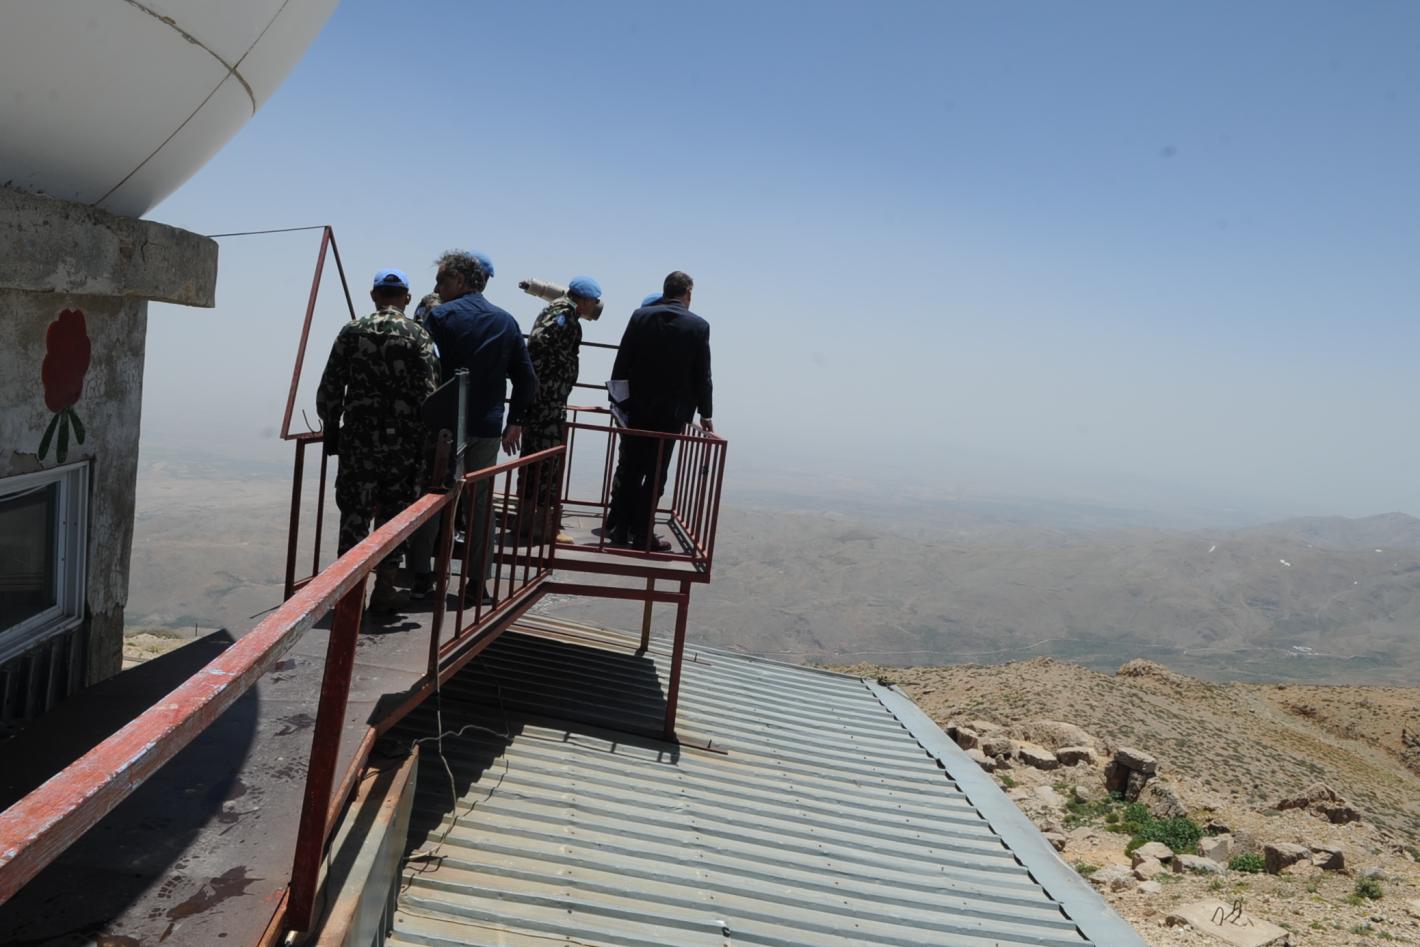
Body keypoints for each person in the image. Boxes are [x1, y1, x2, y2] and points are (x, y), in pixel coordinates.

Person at [315, 268, 440, 610]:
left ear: (374, 295)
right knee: (394, 518)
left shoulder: (352, 331)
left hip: (358, 443)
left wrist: (332, 428)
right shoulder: (419, 336)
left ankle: (348, 597)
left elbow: (330, 388)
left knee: (354, 517)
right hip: (403, 447)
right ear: (407, 298)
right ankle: (384, 591)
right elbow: (430, 395)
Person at [420, 250, 537, 603]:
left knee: (432, 497)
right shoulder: (505, 321)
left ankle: (422, 577)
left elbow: (424, 370)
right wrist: (515, 421)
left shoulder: (440, 317)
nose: (437, 289)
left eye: (441, 281)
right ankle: (476, 584)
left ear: (459, 280)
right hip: (487, 428)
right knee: (480, 503)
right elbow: (527, 379)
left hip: (443, 426)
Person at [606, 271, 713, 551]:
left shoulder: (640, 317)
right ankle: (644, 534)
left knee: (631, 468)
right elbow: (702, 375)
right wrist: (706, 413)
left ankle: (620, 531)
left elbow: (622, 362)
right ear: (688, 294)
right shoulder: (698, 326)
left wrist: (620, 402)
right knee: (656, 474)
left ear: (665, 291)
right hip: (672, 414)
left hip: (638, 408)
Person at [514, 276, 603, 543]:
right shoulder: (566, 316)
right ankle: (543, 529)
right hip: (549, 403)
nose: (594, 307)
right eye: (594, 302)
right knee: (547, 464)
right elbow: (541, 347)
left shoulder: (553, 311)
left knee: (532, 461)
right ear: (584, 300)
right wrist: (551, 382)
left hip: (541, 400)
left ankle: (525, 523)